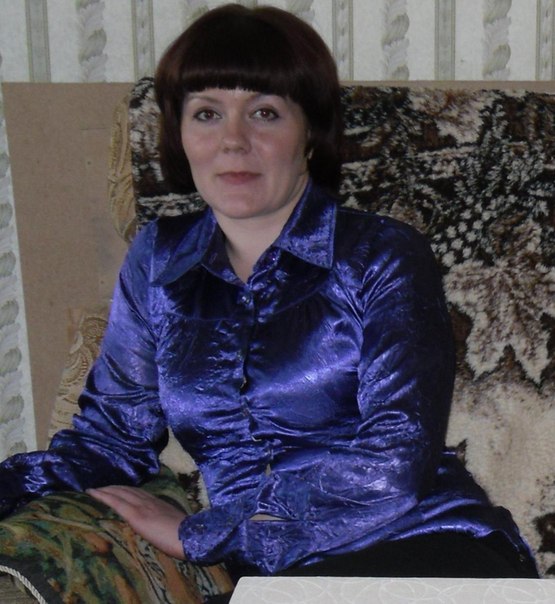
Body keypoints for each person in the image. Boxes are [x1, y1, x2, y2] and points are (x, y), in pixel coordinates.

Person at [0, 2, 538, 597]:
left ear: (309, 134)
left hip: (422, 545)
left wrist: (205, 534)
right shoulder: (158, 260)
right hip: (275, 578)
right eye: (207, 114)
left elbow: (395, 462)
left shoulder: (383, 254)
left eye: (264, 113)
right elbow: (112, 436)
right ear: (179, 135)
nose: (233, 142)